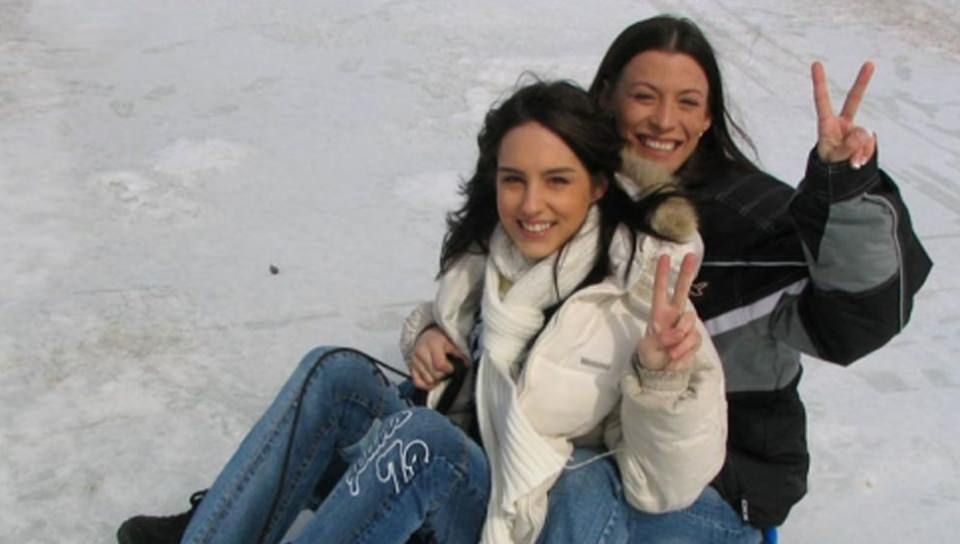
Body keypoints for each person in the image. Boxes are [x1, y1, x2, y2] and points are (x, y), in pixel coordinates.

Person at [117, 80, 728, 544]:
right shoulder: (491, 257)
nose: (531, 204)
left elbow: (660, 485)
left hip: (530, 515)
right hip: (467, 468)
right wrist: (430, 333)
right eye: (514, 179)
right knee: (335, 373)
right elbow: (463, 344)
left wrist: (660, 379)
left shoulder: (642, 294)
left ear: (597, 186)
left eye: (557, 181)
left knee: (424, 441)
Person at [536, 15, 933, 544]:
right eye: (645, 97)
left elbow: (856, 318)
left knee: (575, 490)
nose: (664, 121)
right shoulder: (564, 193)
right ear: (608, 96)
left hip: (715, 484)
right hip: (570, 448)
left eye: (687, 102)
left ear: (707, 117)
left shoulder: (751, 219)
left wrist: (843, 187)